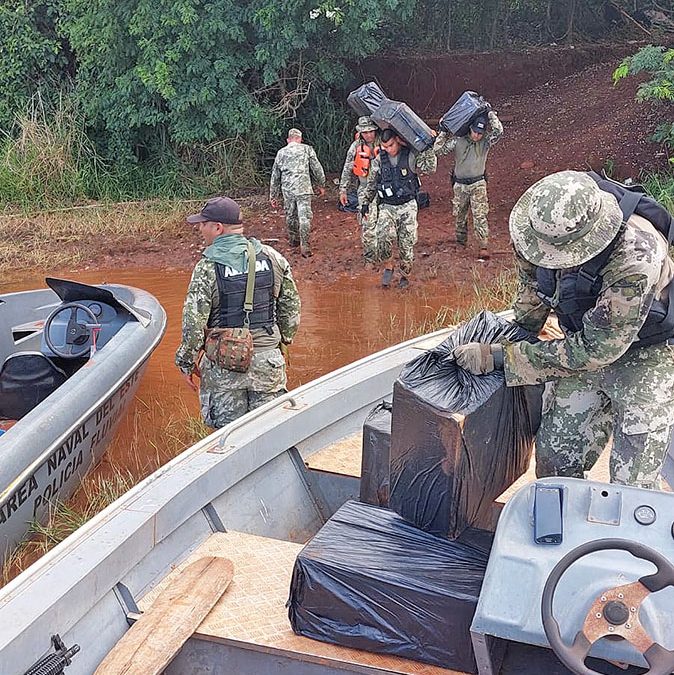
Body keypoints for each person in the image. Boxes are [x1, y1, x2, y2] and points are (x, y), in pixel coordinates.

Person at [454, 170, 674, 489]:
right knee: (555, 460)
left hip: (646, 353)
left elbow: (595, 350)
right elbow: (533, 286)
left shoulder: (637, 254)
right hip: (582, 336)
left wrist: (506, 358)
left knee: (633, 483)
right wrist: (518, 334)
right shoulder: (538, 226)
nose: (551, 260)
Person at [175, 196, 301, 428]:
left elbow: (193, 324)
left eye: (203, 224)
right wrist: (280, 341)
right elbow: (291, 308)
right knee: (269, 431)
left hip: (224, 368)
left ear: (217, 228)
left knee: (228, 439)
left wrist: (185, 361)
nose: (200, 229)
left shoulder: (207, 267)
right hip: (267, 362)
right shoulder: (273, 258)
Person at [360, 129, 437, 289]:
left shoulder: (410, 155)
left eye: (391, 145)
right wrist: (366, 203)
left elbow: (430, 168)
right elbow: (372, 183)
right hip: (387, 205)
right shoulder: (379, 160)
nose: (388, 149)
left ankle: (405, 275)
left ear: (398, 141)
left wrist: (427, 147)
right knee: (381, 239)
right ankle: (389, 265)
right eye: (384, 146)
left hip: (407, 206)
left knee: (406, 246)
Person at [434, 109, 503, 258]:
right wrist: (443, 132)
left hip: (478, 183)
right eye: (475, 131)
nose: (477, 135)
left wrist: (490, 114)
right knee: (460, 215)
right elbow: (438, 150)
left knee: (480, 215)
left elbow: (499, 131)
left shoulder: (485, 142)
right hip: (460, 185)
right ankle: (461, 242)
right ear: (470, 129)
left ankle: (483, 245)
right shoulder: (458, 140)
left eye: (480, 132)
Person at [270, 128, 326, 258]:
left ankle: (293, 239)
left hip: (287, 189)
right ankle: (305, 245)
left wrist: (273, 195)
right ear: (300, 139)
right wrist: (321, 184)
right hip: (304, 188)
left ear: (288, 140)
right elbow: (317, 168)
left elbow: (275, 175)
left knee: (290, 214)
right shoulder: (307, 149)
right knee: (304, 217)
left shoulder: (281, 153)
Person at [339, 116, 381, 265]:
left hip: (383, 189)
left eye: (371, 131)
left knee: (383, 225)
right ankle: (370, 258)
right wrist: (342, 190)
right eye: (365, 132)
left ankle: (383, 254)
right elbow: (347, 167)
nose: (369, 135)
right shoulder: (356, 146)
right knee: (368, 224)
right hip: (364, 189)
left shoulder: (384, 143)